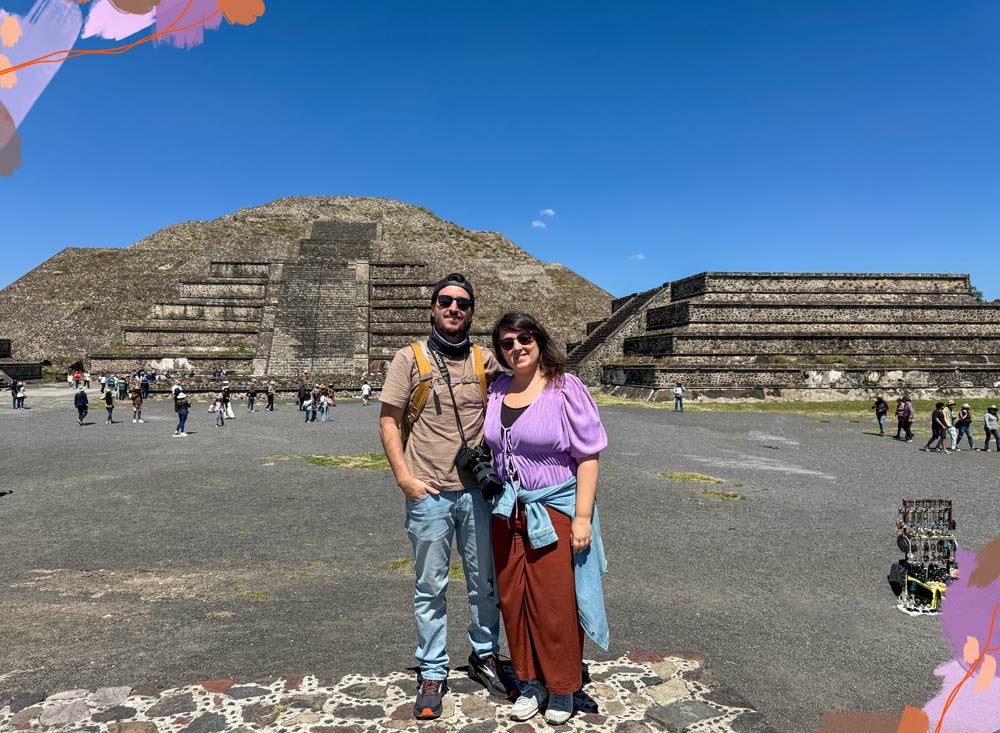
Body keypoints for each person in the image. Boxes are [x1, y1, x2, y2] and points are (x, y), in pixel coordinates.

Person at [378, 273, 510, 719]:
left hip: (476, 493)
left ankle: (484, 655)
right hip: (428, 492)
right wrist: (404, 479)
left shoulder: (485, 360)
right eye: (446, 301)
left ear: (471, 311)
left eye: (463, 303)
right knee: (429, 587)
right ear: (433, 307)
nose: (454, 308)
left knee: (484, 585)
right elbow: (388, 421)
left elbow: (526, 381)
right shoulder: (408, 358)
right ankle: (432, 669)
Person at [484, 312, 608, 725]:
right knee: (513, 598)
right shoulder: (498, 389)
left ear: (539, 341)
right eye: (506, 342)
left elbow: (588, 457)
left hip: (553, 508)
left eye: (524, 338)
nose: (516, 347)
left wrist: (583, 517)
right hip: (506, 509)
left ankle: (561, 685)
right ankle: (530, 680)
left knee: (554, 602)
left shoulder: (564, 388)